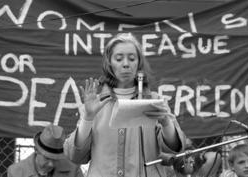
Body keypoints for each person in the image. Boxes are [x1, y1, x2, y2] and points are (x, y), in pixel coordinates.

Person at [64, 33, 186, 177]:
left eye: (132, 58)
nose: (126, 64)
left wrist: (166, 123)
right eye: (119, 58)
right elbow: (75, 155)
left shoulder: (154, 101)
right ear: (109, 63)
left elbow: (174, 149)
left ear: (139, 63)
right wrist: (88, 118)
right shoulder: (96, 104)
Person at [8, 124, 84, 177]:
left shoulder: (73, 168)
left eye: (55, 159)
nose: (51, 164)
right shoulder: (16, 172)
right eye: (47, 158)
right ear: (36, 150)